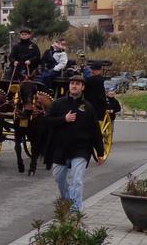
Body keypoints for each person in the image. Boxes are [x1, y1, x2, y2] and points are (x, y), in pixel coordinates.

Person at [41, 75, 106, 211]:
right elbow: (46, 121)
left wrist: (100, 153)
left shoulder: (88, 107)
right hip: (61, 148)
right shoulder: (58, 104)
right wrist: (63, 119)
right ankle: (67, 198)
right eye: (72, 83)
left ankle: (76, 208)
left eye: (77, 84)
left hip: (81, 149)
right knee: (58, 177)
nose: (74, 86)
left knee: (77, 179)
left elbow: (95, 131)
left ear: (82, 87)